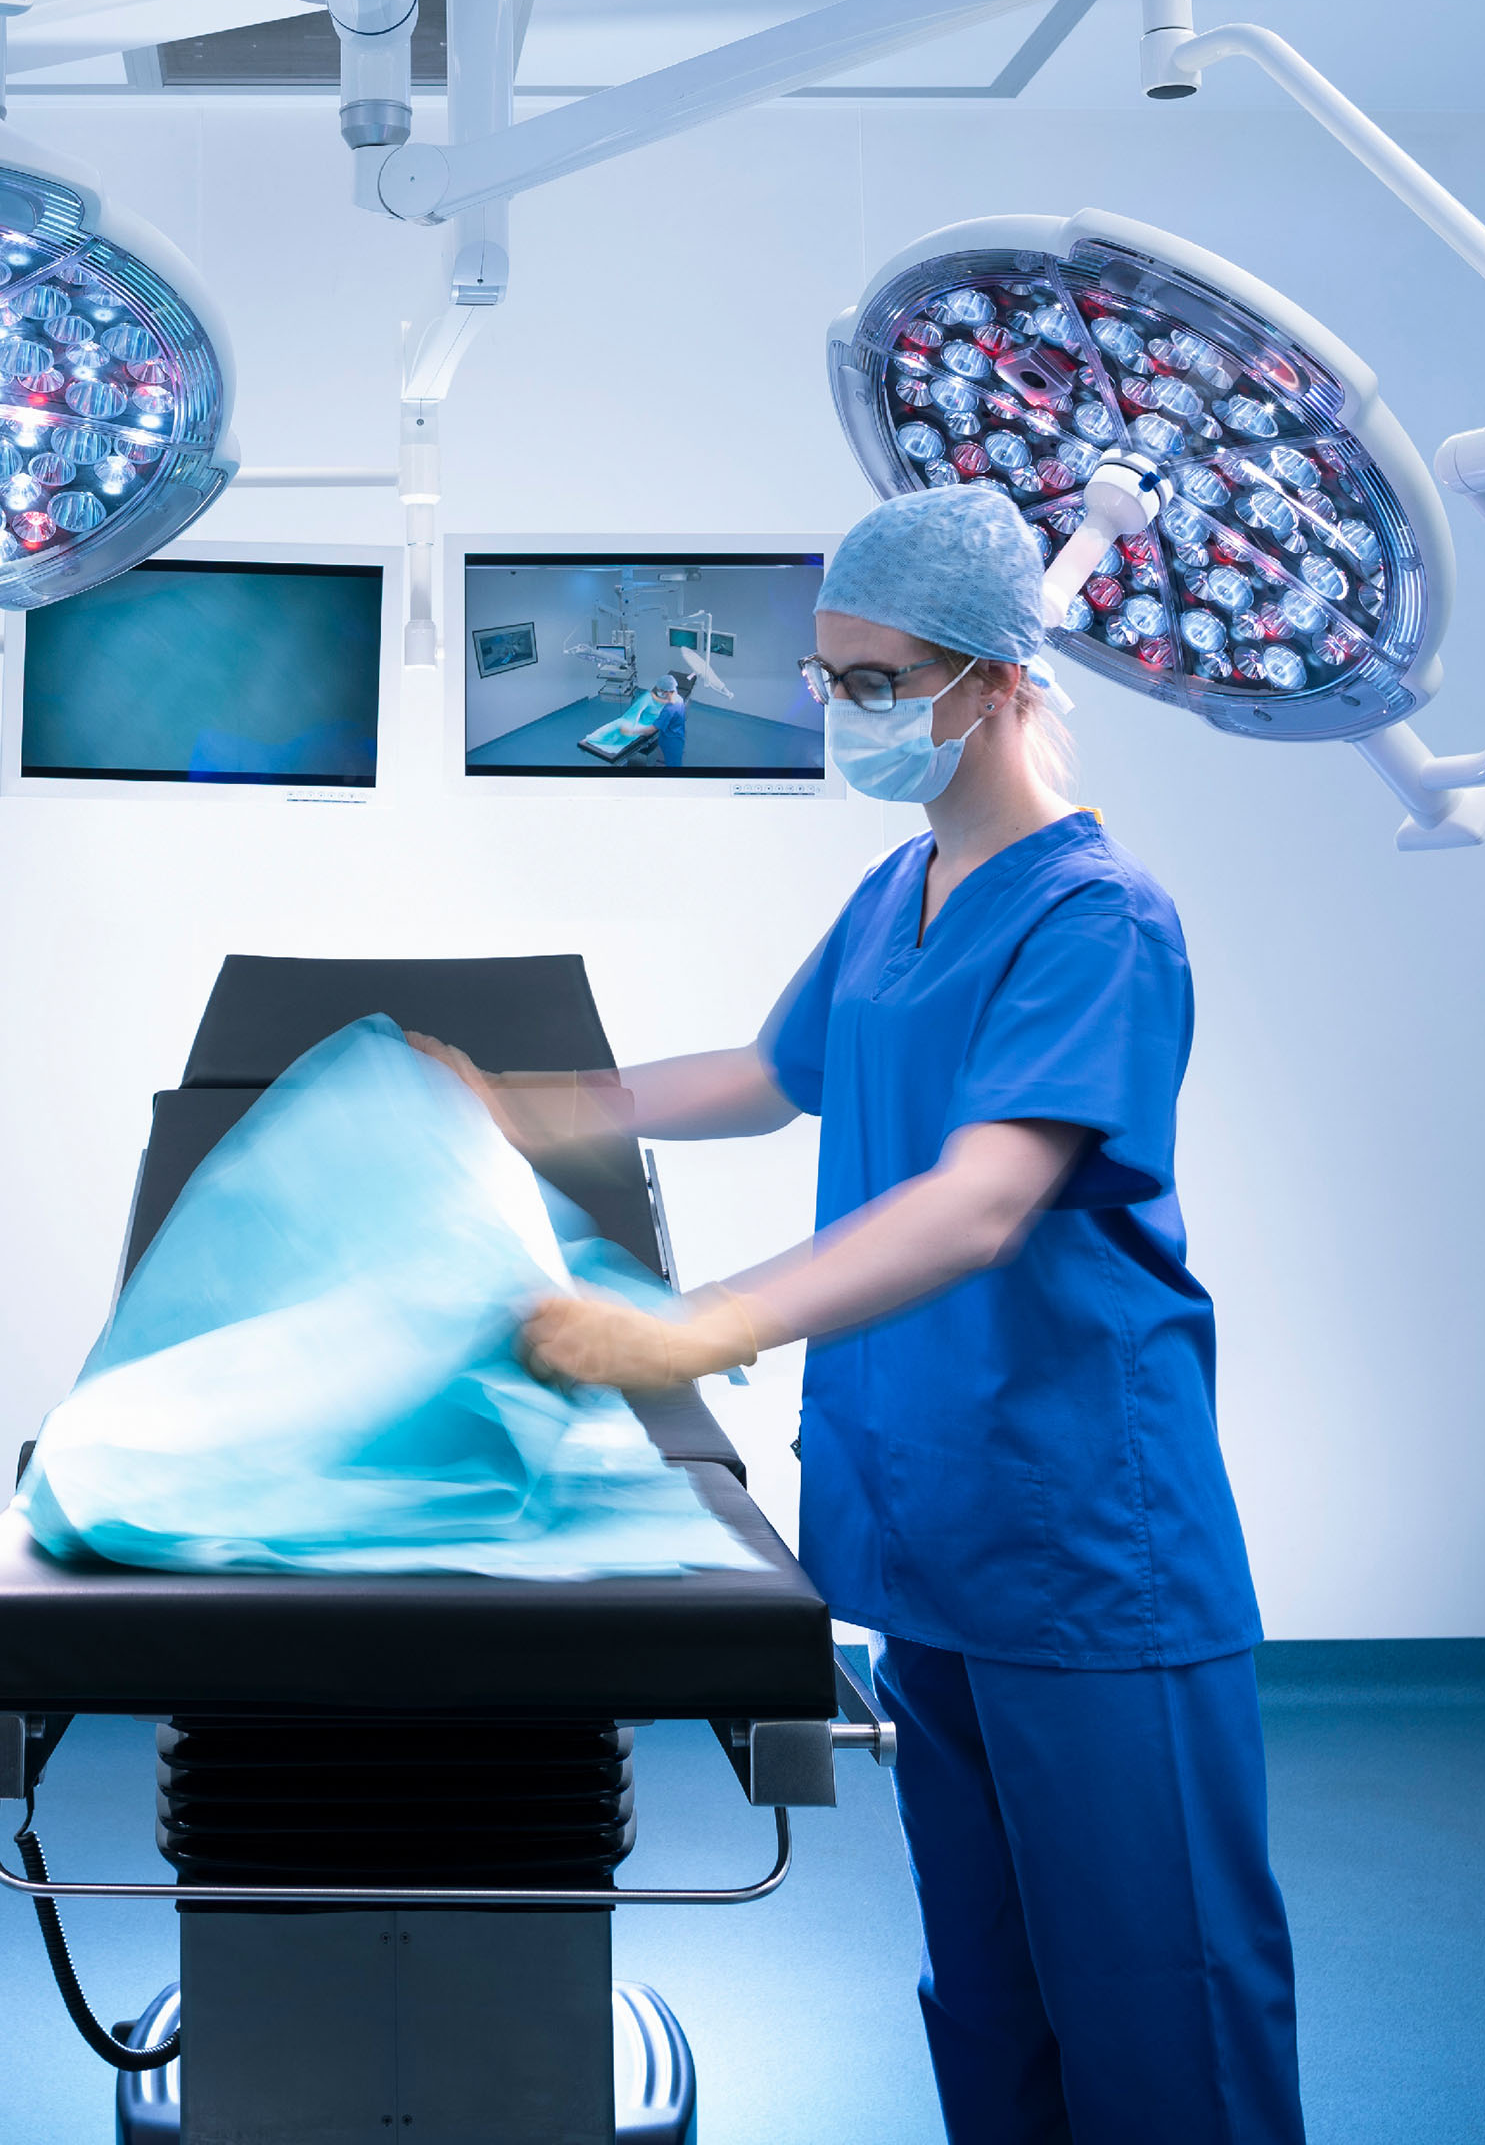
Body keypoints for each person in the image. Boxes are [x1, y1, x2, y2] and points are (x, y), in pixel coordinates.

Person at [417, 484, 1303, 2145]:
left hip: (1090, 1543)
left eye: (880, 682)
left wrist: (697, 1327)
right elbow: (765, 1078)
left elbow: (983, 1201)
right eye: (832, 681)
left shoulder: (1098, 918)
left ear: (998, 681)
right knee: (990, 1991)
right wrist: (509, 1101)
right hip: (931, 1532)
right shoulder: (901, 892)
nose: (847, 716)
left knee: (1158, 1998)